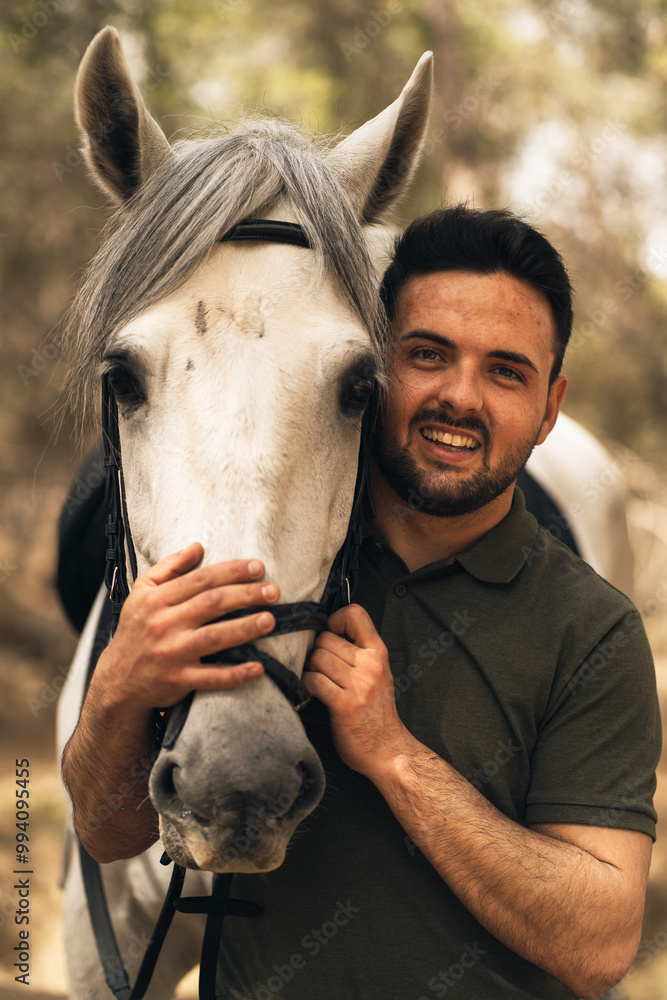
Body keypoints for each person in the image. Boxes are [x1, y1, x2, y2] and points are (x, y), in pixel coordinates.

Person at [61, 206, 661, 1000]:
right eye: (427, 354)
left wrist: (395, 756)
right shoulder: (265, 574)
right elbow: (109, 834)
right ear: (379, 367)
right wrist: (117, 687)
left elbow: (597, 946)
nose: (460, 398)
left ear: (550, 408)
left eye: (505, 371)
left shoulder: (594, 633)